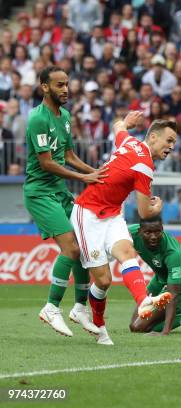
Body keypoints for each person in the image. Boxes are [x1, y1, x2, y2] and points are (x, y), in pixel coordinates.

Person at [70, 112, 179, 345]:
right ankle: (98, 325)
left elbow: (118, 126)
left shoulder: (130, 141)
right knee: (103, 281)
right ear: (152, 138)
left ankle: (143, 301)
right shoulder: (145, 165)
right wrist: (157, 207)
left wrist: (126, 122)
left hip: (112, 213)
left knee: (128, 253)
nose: (171, 147)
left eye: (174, 143)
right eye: (168, 141)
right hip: (88, 212)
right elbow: (144, 212)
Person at [26, 66, 107, 338]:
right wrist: (84, 179)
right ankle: (51, 307)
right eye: (59, 85)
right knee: (71, 249)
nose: (65, 90)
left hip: (59, 191)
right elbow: (47, 163)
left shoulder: (66, 116)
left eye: (67, 84)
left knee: (83, 247)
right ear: (45, 87)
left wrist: (92, 172)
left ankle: (80, 308)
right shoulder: (38, 118)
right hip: (40, 192)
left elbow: (69, 154)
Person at [128, 217, 181, 335]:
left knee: (141, 328)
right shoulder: (130, 233)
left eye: (157, 232)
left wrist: (165, 332)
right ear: (140, 231)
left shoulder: (172, 253)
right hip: (160, 278)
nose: (153, 236)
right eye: (148, 233)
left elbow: (172, 295)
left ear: (162, 230)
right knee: (133, 326)